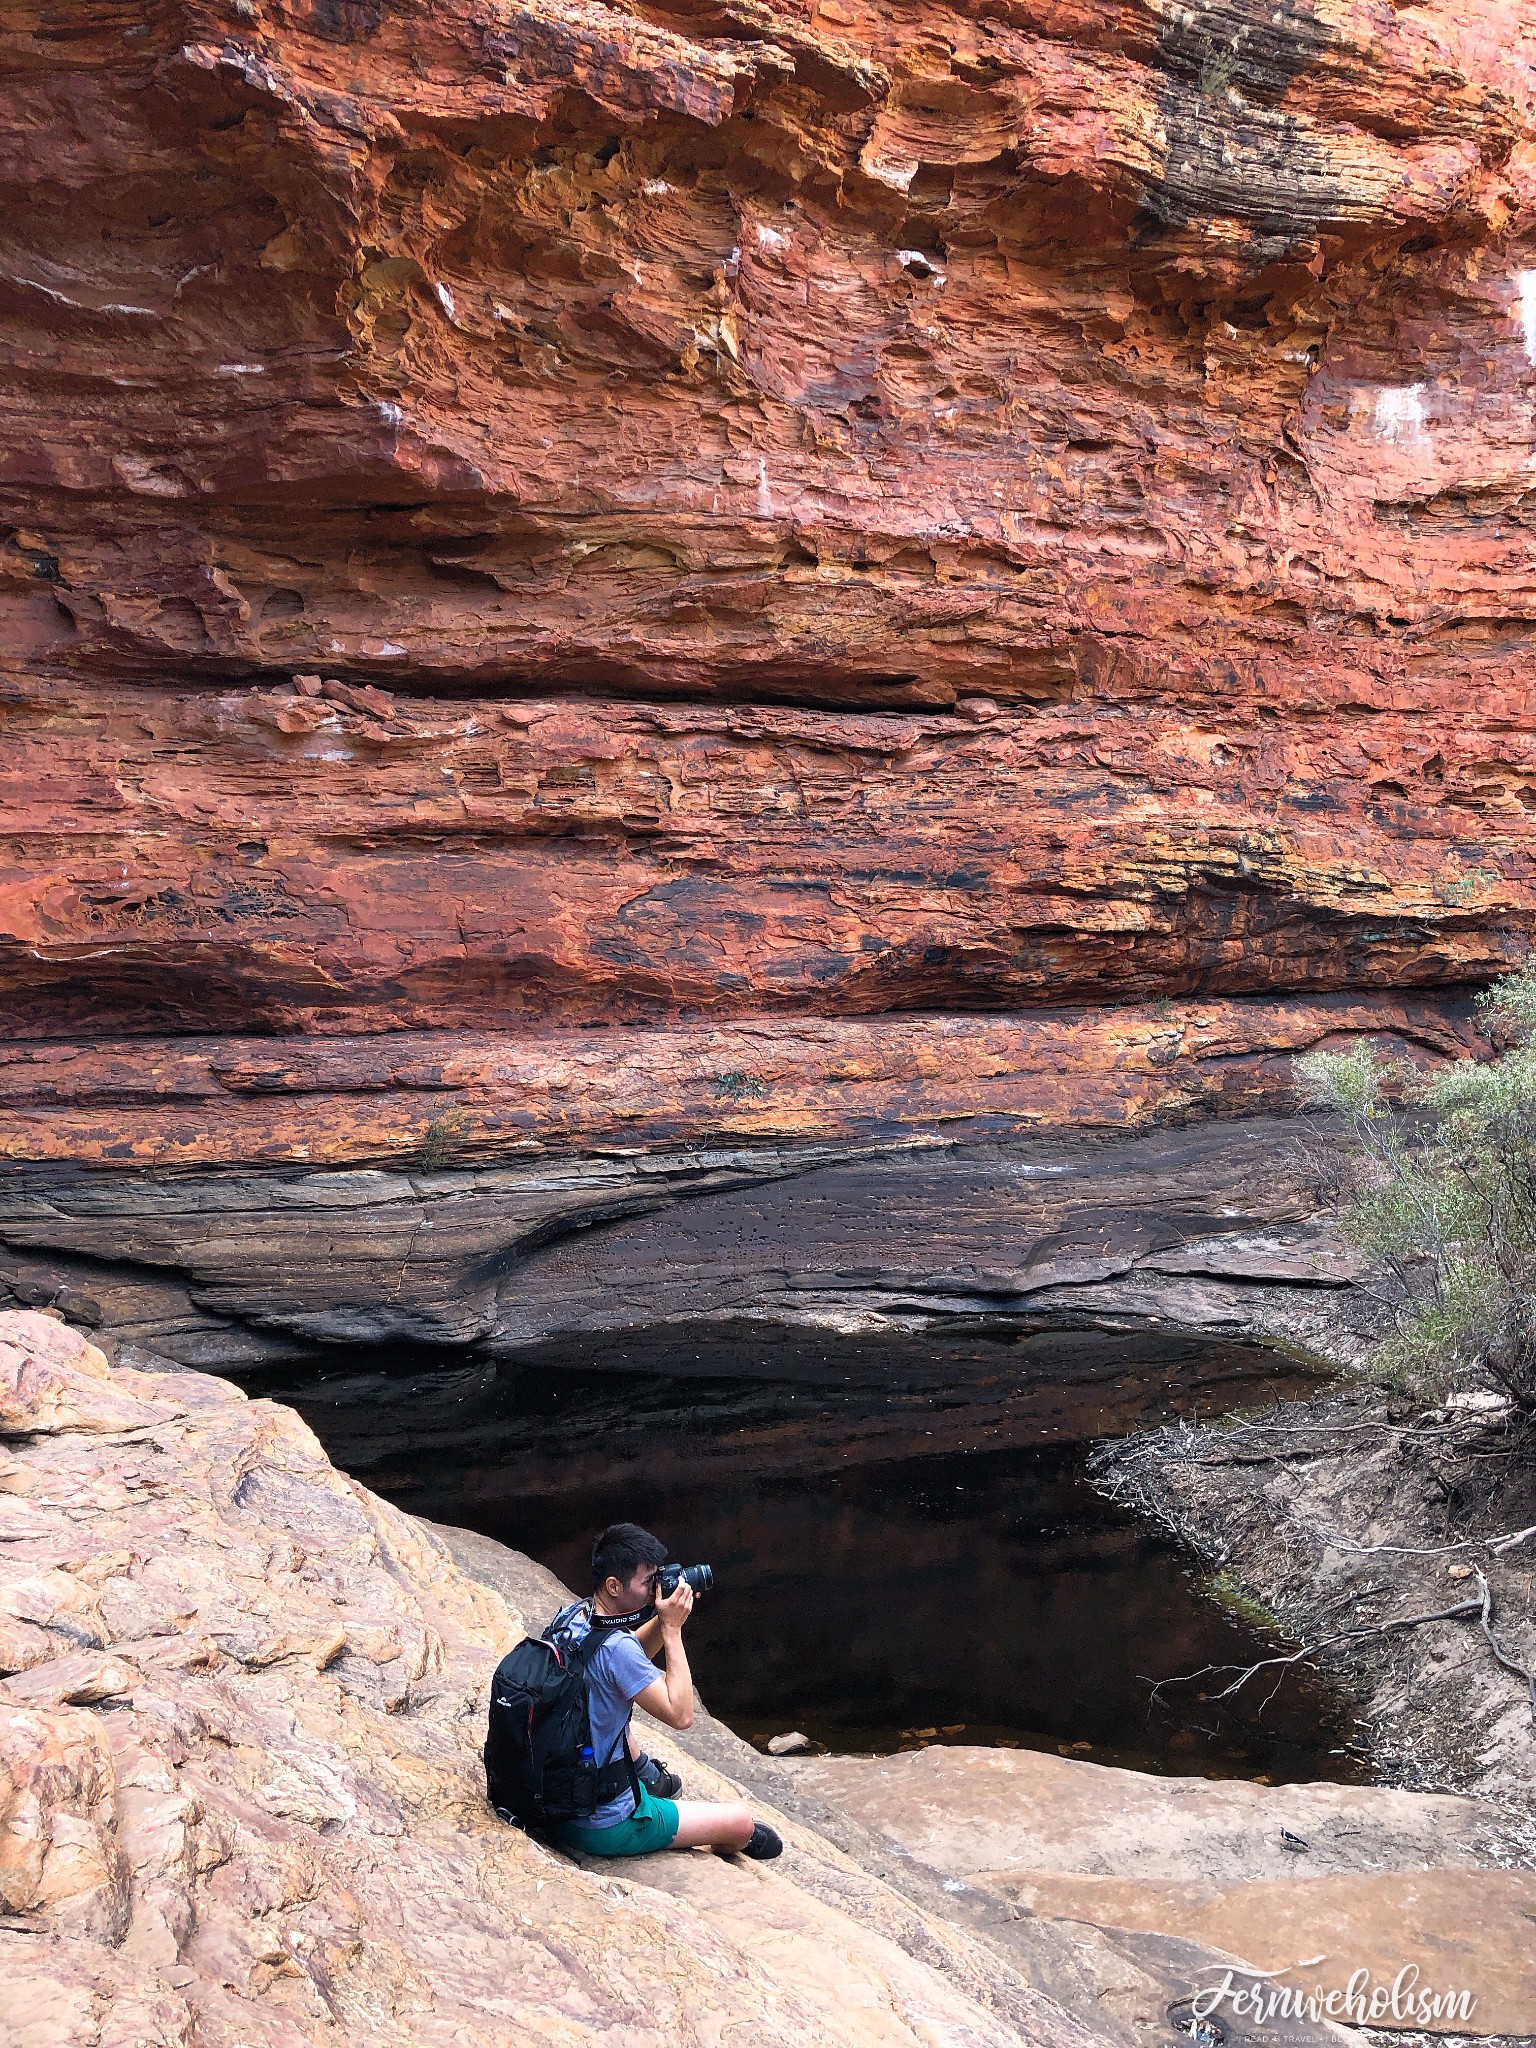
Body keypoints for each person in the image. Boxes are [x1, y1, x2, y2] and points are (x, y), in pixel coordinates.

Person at [551, 1522, 782, 1861]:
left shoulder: (575, 1616)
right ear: (614, 1586)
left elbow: (623, 1663)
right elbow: (681, 1715)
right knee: (742, 1823)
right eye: (648, 1582)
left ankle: (646, 1775)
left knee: (610, 1710)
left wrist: (662, 1617)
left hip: (559, 1801)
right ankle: (700, 1827)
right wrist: (672, 1631)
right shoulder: (617, 1648)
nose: (655, 1590)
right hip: (604, 1824)